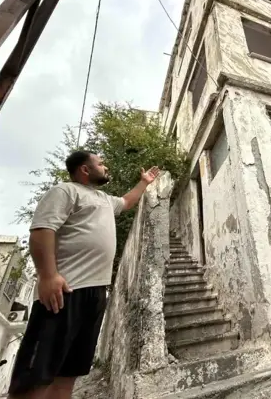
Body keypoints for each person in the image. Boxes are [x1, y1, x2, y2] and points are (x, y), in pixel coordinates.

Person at [8, 150, 160, 399]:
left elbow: (127, 202)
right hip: (64, 292)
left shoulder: (104, 199)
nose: (106, 166)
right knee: (35, 380)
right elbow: (42, 229)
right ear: (85, 169)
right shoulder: (66, 191)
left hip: (96, 293)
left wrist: (144, 183)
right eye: (101, 163)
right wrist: (48, 276)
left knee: (68, 375)